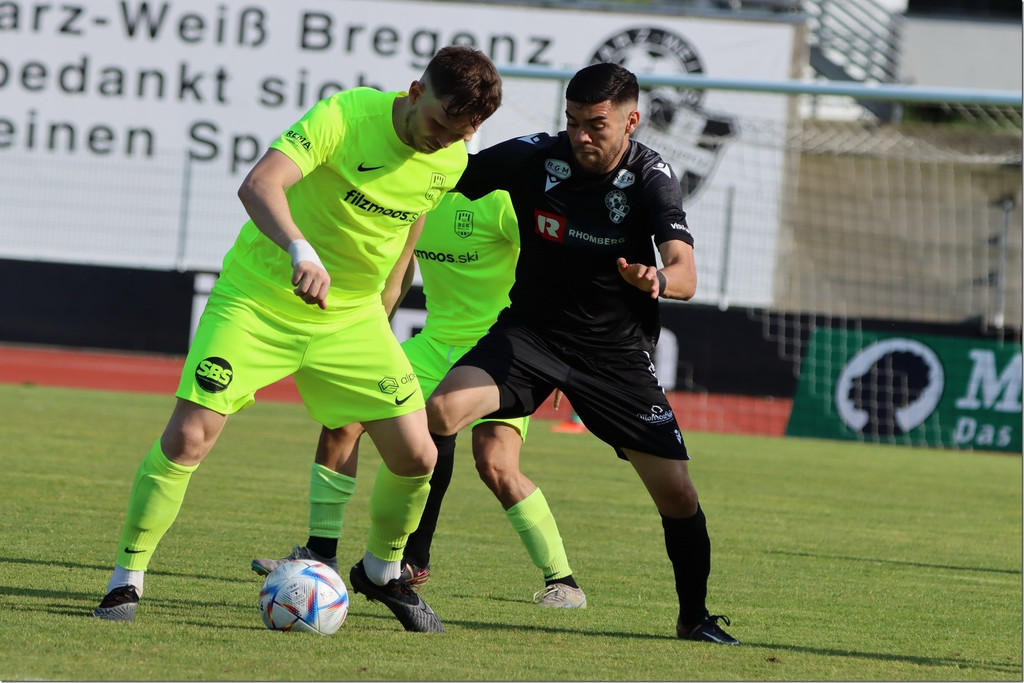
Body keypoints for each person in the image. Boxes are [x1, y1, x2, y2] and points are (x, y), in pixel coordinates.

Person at [91, 46, 503, 634]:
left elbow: (410, 230)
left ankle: (383, 571)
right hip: (258, 299)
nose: (443, 142)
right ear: (416, 92)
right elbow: (259, 184)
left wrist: (384, 312)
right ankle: (126, 578)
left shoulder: (451, 156)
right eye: (440, 124)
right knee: (188, 437)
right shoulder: (346, 115)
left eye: (460, 134)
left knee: (419, 456)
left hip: (352, 319)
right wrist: (299, 250)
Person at [426, 62, 740, 644]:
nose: (581, 136)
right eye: (572, 122)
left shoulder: (651, 176)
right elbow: (444, 175)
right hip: (532, 335)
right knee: (442, 410)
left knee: (678, 495)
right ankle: (411, 564)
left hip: (613, 354)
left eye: (596, 124)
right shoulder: (535, 157)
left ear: (631, 121)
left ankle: (694, 619)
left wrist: (656, 278)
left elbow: (686, 274)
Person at [251, 190, 587, 609]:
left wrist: (554, 353)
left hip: (501, 350)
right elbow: (399, 268)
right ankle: (320, 554)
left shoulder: (501, 200)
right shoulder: (420, 195)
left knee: (496, 465)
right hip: (433, 345)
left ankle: (563, 581)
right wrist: (368, 338)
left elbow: (555, 266)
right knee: (344, 418)